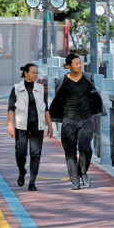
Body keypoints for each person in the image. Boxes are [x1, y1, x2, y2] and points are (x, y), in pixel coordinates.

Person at [50, 53, 106, 190]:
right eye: (76, 64)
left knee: (85, 149)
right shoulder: (62, 81)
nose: (79, 65)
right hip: (69, 121)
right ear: (68, 66)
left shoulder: (88, 78)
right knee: (70, 152)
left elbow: (94, 96)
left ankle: (83, 172)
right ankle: (75, 180)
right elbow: (58, 101)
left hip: (86, 119)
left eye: (80, 63)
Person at [8, 63, 53, 192]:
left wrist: (49, 125)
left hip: (37, 126)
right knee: (20, 153)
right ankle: (22, 171)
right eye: (33, 72)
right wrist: (10, 125)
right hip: (21, 126)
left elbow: (46, 108)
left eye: (37, 73)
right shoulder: (16, 88)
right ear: (26, 73)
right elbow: (11, 108)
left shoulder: (40, 88)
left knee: (36, 154)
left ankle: (32, 182)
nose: (35, 75)